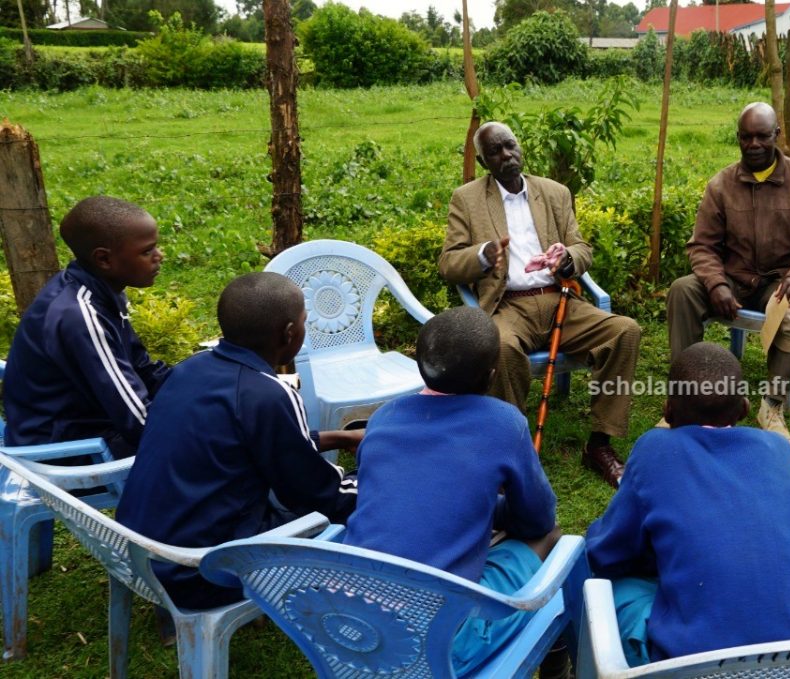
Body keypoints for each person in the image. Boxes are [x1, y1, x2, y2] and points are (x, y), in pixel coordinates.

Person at [116, 272, 360, 609]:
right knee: (361, 506)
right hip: (202, 570)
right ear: (289, 334)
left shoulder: (190, 370)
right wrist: (374, 475)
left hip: (142, 552)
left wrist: (339, 437)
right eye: (305, 322)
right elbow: (315, 495)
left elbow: (251, 442)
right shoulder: (267, 393)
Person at [343, 306, 564, 676]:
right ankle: (560, 666)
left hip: (353, 627)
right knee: (553, 539)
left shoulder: (384, 417)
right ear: (492, 375)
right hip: (441, 645)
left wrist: (479, 507)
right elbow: (537, 518)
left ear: (419, 363)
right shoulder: (504, 423)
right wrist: (493, 511)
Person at [586, 342, 790, 667]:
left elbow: (607, 554)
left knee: (607, 586)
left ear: (668, 411)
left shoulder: (654, 451)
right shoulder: (778, 449)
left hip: (693, 662)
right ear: (745, 408)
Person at [438, 121, 641, 488]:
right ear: (484, 163)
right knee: (499, 347)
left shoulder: (554, 192)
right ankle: (512, 447)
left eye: (510, 146)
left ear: (520, 146)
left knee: (624, 331)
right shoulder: (466, 199)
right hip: (509, 306)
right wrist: (483, 254)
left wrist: (566, 258)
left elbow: (582, 248)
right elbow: (449, 263)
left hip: (560, 297)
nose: (506, 155)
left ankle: (600, 443)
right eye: (495, 152)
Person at [666, 103, 790, 443]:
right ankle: (683, 399)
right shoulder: (721, 185)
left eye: (762, 136)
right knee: (683, 290)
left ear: (777, 135)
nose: (754, 144)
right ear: (738, 139)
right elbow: (702, 245)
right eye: (747, 137)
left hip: (778, 281)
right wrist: (715, 284)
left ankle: (772, 404)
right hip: (732, 278)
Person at [4, 196, 170, 458]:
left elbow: (143, 369)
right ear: (104, 259)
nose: (159, 256)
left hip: (87, 421)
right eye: (147, 251)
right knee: (221, 445)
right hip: (62, 450)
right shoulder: (80, 315)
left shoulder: (101, 291)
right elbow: (137, 420)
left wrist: (200, 382)